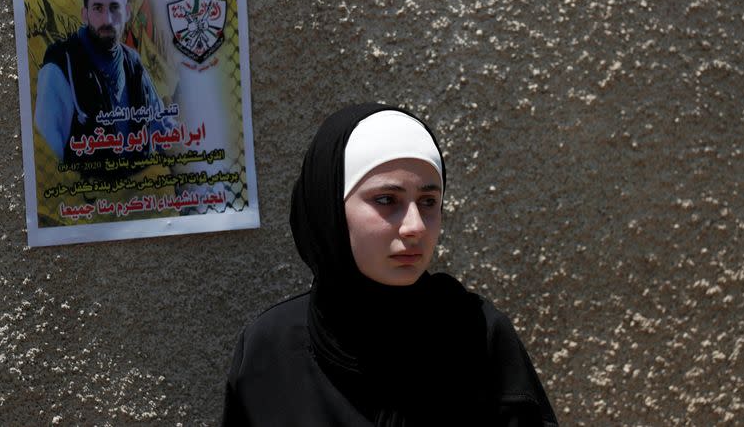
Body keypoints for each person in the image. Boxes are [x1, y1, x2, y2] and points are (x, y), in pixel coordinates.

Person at [222, 103, 558, 426]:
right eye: (386, 200)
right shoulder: (268, 351)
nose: (415, 226)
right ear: (330, 211)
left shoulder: (478, 335)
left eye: (428, 202)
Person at [34, 0, 168, 166]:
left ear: (128, 12)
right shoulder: (61, 68)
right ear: (85, 15)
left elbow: (161, 128)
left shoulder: (134, 64)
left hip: (139, 189)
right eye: (98, 8)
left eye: (114, 8)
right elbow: (49, 159)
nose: (107, 19)